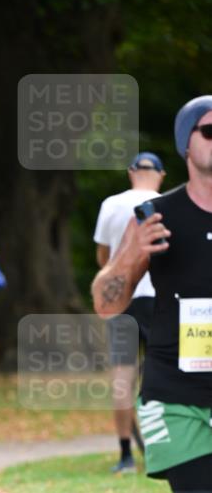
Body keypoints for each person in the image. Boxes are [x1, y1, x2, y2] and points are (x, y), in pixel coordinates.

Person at [92, 95, 212, 493]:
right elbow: (105, 305)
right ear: (186, 142)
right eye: (211, 131)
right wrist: (128, 260)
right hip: (177, 386)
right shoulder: (154, 216)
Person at [93, 153, 166, 473]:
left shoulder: (110, 204)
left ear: (130, 172)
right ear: (161, 175)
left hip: (120, 299)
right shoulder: (169, 203)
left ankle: (125, 454)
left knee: (123, 375)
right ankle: (159, 449)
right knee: (160, 373)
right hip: (156, 297)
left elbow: (103, 257)